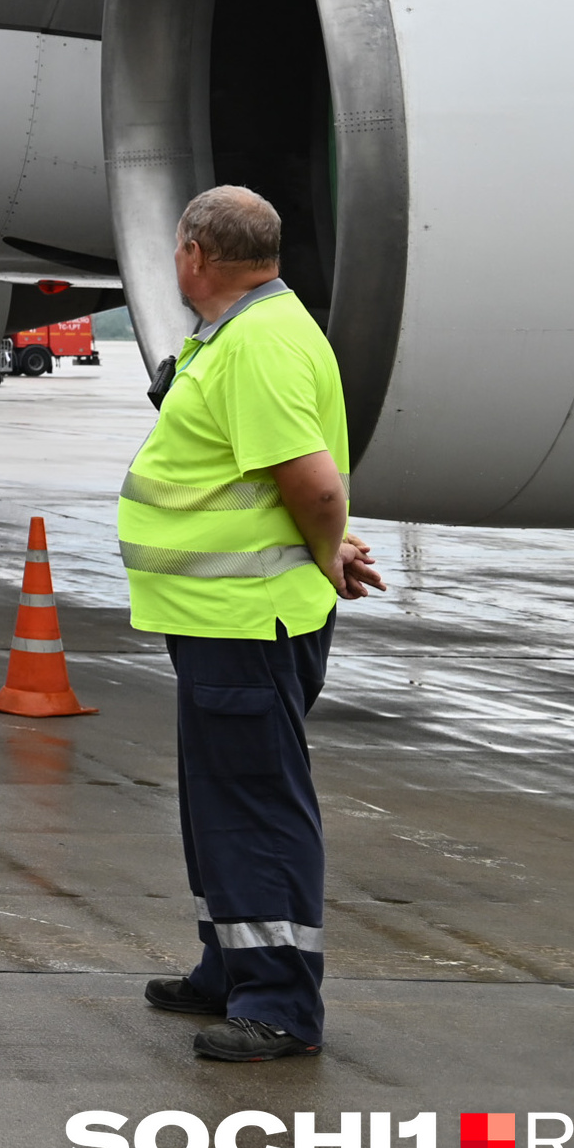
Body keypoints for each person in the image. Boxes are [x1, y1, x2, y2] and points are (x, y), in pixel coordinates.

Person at [124, 185, 385, 1064]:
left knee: (255, 805)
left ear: (197, 252)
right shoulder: (240, 334)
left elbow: (311, 482)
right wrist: (330, 545)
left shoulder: (261, 344)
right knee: (215, 801)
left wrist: (324, 545)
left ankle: (278, 1002)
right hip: (219, 615)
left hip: (250, 618)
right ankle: (230, 966)